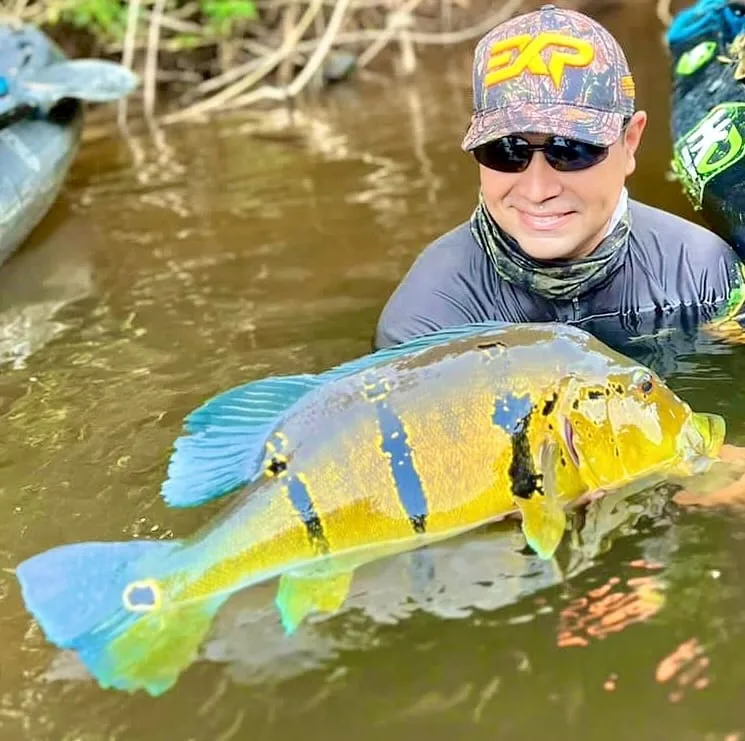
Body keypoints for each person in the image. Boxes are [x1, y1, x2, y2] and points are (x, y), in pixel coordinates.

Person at [373, 4, 745, 358]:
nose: (538, 190)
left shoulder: (702, 276)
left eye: (571, 150)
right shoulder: (426, 322)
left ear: (630, 142)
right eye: (507, 150)